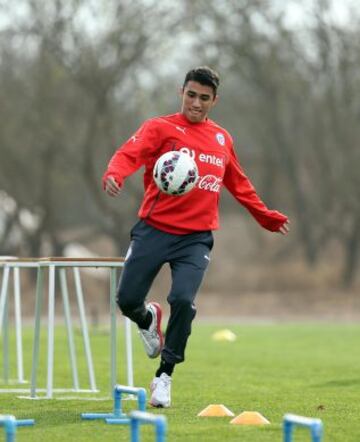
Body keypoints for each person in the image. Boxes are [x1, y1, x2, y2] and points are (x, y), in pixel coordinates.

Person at [103, 66, 290, 408]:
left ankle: (164, 376)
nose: (196, 103)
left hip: (195, 238)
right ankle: (148, 319)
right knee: (127, 299)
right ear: (182, 92)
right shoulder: (160, 127)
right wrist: (115, 173)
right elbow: (128, 153)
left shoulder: (221, 139)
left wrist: (264, 216)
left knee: (184, 302)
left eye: (204, 98)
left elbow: (238, 181)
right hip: (154, 229)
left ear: (214, 101)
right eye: (191, 95)